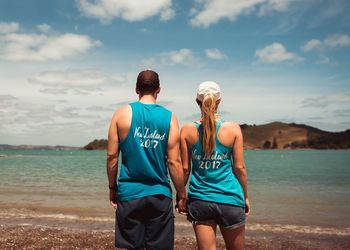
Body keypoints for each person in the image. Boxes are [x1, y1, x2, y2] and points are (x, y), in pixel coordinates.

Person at [106, 69, 187, 250]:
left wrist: (112, 188)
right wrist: (182, 196)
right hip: (159, 195)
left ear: (137, 89)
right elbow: (174, 162)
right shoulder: (170, 117)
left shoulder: (121, 114)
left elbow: (112, 157)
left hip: (129, 194)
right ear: (159, 89)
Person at [180, 81, 250, 250]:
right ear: (219, 101)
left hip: (200, 200)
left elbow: (185, 169)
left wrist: (181, 196)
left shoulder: (187, 130)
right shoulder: (233, 129)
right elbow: (239, 168)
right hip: (230, 199)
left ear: (197, 101)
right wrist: (245, 196)